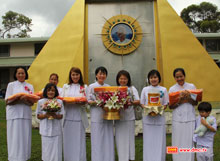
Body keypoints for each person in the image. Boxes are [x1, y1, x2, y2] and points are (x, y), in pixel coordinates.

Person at [5, 66, 34, 161]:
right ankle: (13, 157)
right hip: (14, 115)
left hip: (25, 114)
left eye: (23, 73)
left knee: (25, 137)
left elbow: (31, 103)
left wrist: (24, 100)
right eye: (19, 73)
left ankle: (24, 157)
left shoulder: (30, 86)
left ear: (26, 74)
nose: (21, 75)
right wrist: (18, 99)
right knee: (14, 137)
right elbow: (7, 101)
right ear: (15, 74)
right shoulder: (11, 85)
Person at [169, 68, 198, 161]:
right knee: (177, 141)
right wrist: (180, 101)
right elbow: (171, 106)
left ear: (184, 76)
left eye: (181, 76)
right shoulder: (172, 89)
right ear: (174, 78)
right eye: (177, 77)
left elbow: (195, 103)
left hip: (190, 118)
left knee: (189, 141)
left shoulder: (191, 86)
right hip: (177, 119)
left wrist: (188, 97)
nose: (179, 79)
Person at [140, 69, 169, 161]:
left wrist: (158, 110)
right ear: (148, 79)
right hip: (148, 119)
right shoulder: (145, 89)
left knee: (159, 140)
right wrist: (149, 110)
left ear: (158, 78)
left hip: (159, 119)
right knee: (148, 140)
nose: (153, 79)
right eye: (151, 77)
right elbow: (142, 103)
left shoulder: (163, 90)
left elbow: (165, 104)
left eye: (155, 77)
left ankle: (159, 158)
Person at [87, 66, 114, 161]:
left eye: (103, 73)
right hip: (96, 115)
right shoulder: (91, 86)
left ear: (106, 75)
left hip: (107, 115)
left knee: (108, 137)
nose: (101, 75)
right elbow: (88, 101)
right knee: (97, 139)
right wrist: (98, 102)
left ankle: (108, 158)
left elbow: (112, 101)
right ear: (96, 75)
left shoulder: (109, 87)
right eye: (100, 73)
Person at [62, 67, 88, 161]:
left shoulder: (84, 87)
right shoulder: (65, 87)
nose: (75, 76)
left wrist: (82, 103)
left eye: (77, 74)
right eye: (73, 74)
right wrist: (66, 102)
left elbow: (87, 103)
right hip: (68, 117)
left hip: (79, 117)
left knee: (79, 140)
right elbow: (61, 101)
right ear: (70, 75)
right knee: (68, 140)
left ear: (80, 75)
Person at [115, 70, 140, 161]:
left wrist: (130, 102)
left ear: (128, 79)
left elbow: (138, 101)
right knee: (120, 138)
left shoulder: (132, 89)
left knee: (130, 138)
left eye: (125, 78)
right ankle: (122, 157)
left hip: (129, 117)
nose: (123, 80)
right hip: (119, 117)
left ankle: (130, 157)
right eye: (121, 78)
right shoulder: (115, 89)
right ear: (118, 79)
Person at [36, 83, 64, 161]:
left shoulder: (59, 102)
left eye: (53, 90)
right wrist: (46, 115)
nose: (51, 92)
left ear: (55, 92)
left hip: (56, 130)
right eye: (49, 90)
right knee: (46, 150)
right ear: (45, 91)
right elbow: (38, 115)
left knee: (56, 150)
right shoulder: (41, 102)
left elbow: (61, 116)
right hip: (45, 129)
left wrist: (54, 114)